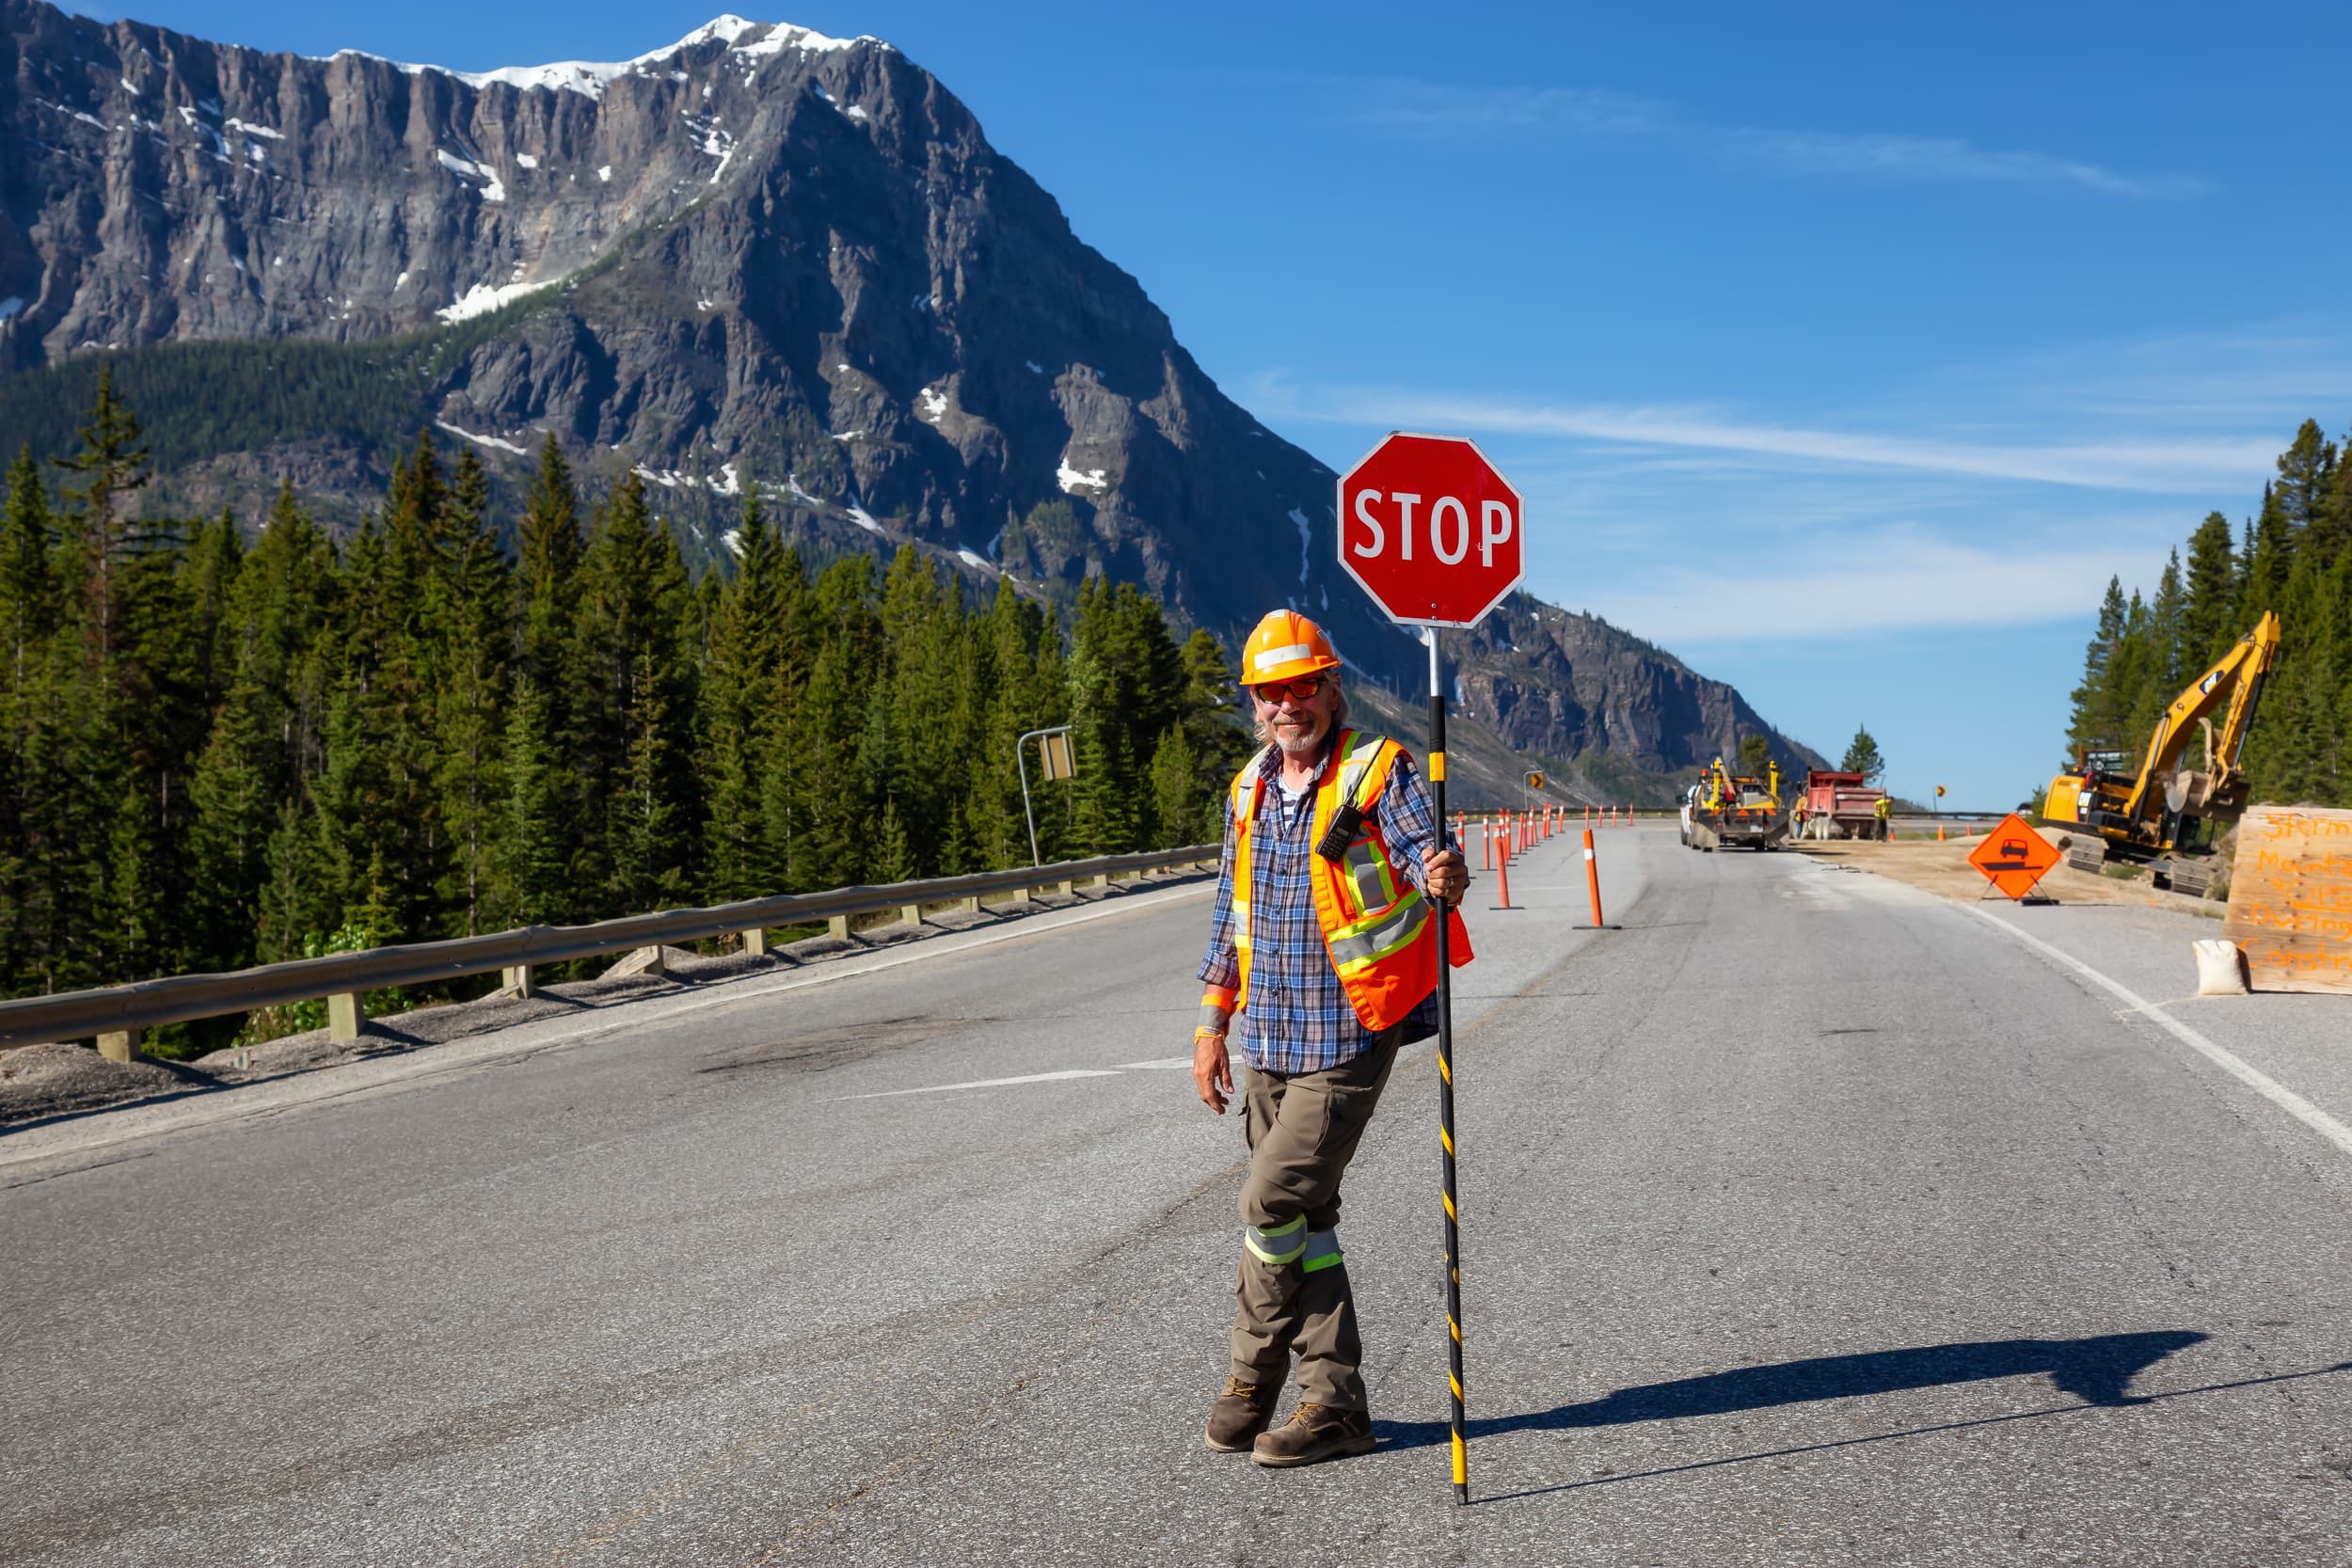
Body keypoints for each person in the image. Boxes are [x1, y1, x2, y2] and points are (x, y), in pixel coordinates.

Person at [1192, 610, 1471, 1468]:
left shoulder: (1377, 772)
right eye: (1271, 693)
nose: (1288, 706)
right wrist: (1212, 1024)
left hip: (1351, 1030)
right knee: (1306, 1217)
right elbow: (1230, 915)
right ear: (1255, 703)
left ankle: (1254, 1371)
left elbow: (1436, 857)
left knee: (1266, 1201)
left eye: (1301, 687)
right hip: (1269, 1035)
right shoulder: (1247, 788)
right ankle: (1335, 1404)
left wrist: (1446, 872)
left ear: (1330, 687)